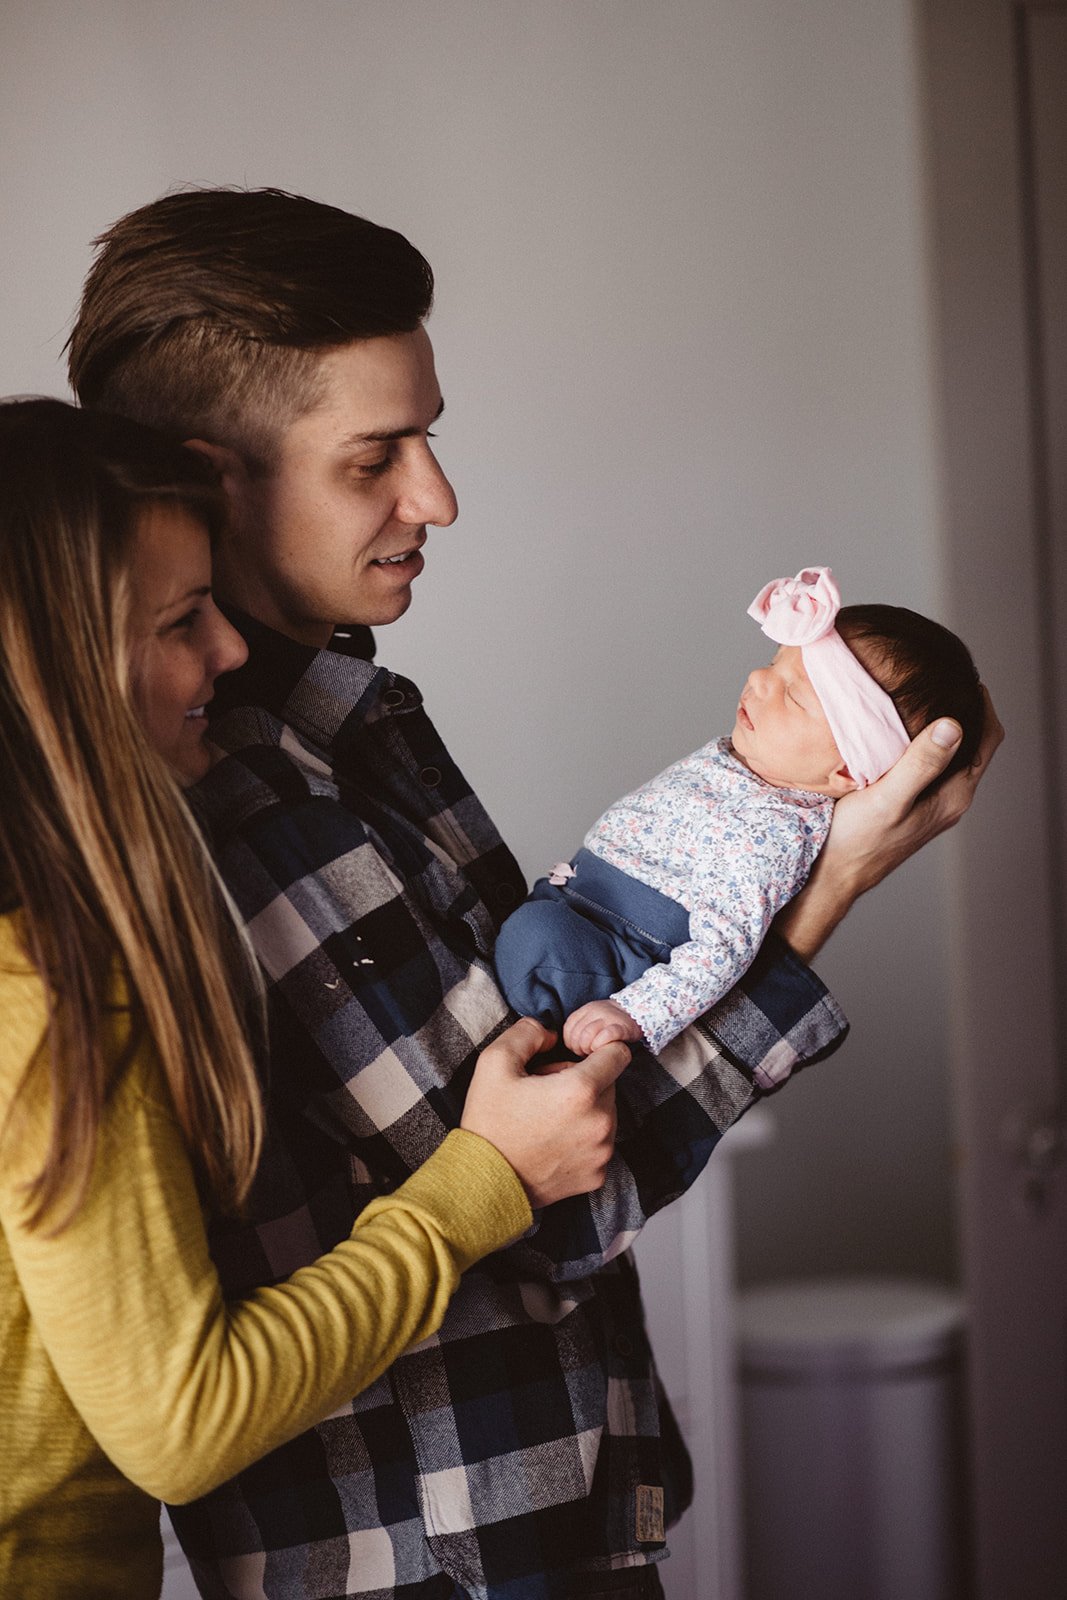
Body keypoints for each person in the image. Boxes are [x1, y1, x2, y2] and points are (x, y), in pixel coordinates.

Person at [66, 186, 1001, 1600]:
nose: (435, 497)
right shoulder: (235, 797)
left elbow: (558, 1069)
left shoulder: (367, 723)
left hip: (553, 1518)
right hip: (431, 1564)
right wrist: (829, 888)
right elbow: (540, 1192)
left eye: (427, 439)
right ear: (209, 480)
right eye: (375, 457)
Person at [0, 398, 631, 1600]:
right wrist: (472, 1186)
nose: (227, 654)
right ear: (58, 667)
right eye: (182, 622)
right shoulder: (43, 979)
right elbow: (183, 1420)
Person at [496, 566, 984, 1057]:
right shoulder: (741, 761)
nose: (758, 679)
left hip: (625, 949)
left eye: (793, 695)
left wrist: (636, 1012)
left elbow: (725, 944)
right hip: (580, 897)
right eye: (773, 664)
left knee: (534, 942)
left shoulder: (780, 834)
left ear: (844, 772)